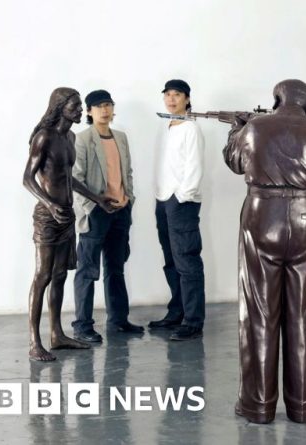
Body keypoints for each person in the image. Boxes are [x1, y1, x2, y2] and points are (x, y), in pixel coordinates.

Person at [224, 79, 306, 424]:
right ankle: (303, 406)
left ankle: (257, 405)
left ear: (277, 97)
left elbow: (234, 161)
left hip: (263, 216)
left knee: (259, 311)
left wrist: (236, 130)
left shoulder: (255, 127)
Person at [23, 87, 116, 361]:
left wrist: (97, 199)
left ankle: (57, 335)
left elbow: (68, 179)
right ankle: (34, 342)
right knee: (43, 276)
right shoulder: (44, 138)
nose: (79, 111)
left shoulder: (70, 136)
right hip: (48, 217)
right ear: (60, 107)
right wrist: (50, 205)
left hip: (67, 215)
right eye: (75, 106)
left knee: (61, 275)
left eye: (79, 106)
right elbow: (27, 178)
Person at [71, 89, 143, 342]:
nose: (105, 109)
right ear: (89, 111)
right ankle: (82, 325)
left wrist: (129, 200)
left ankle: (118, 320)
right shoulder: (82, 139)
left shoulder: (121, 137)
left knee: (116, 268)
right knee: (87, 270)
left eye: (108, 105)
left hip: (120, 211)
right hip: (96, 213)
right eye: (99, 106)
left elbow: (128, 173)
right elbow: (75, 180)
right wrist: (92, 207)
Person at [148, 79, 206, 341]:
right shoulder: (166, 127)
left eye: (177, 95)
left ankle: (193, 321)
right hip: (163, 199)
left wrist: (183, 196)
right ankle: (177, 312)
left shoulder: (191, 128)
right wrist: (161, 196)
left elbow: (194, 167)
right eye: (167, 95)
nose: (171, 99)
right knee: (171, 260)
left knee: (187, 260)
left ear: (187, 98)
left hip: (182, 202)